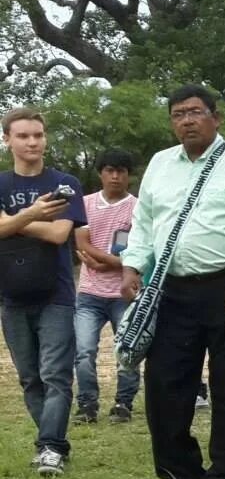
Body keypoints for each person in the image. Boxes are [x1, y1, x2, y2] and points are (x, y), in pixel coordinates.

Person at [121, 86, 225, 479]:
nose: (186, 121)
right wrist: (132, 264)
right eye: (177, 114)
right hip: (171, 289)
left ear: (216, 117)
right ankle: (178, 476)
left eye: (195, 112)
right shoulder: (159, 164)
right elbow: (144, 220)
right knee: (164, 384)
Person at [1, 108, 88, 476]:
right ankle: (53, 444)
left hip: (57, 294)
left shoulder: (65, 183)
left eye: (38, 134)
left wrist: (13, 221)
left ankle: (50, 446)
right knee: (29, 377)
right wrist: (36, 213)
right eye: (23, 136)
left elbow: (58, 235)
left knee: (55, 374)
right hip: (11, 295)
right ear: (8, 140)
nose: (32, 142)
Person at [73, 148, 140, 425]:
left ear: (128, 176)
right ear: (100, 173)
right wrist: (117, 261)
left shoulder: (138, 207)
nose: (115, 176)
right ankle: (87, 404)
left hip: (123, 292)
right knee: (84, 350)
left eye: (121, 171)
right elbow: (82, 243)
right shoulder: (85, 203)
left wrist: (109, 264)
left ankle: (124, 403)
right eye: (110, 170)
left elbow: (138, 250)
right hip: (89, 292)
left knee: (126, 350)